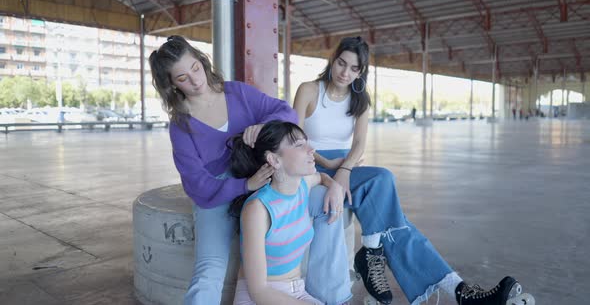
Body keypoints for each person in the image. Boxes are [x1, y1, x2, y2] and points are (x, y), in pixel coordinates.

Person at [293, 36, 528, 305]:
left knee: (384, 187)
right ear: (333, 61)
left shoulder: (360, 100)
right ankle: (453, 289)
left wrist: (343, 170)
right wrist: (328, 163)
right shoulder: (309, 90)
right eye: (341, 63)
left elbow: (359, 145)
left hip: (346, 169)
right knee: (392, 209)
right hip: (311, 167)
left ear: (362, 71)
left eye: (354, 68)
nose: (345, 73)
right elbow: (295, 139)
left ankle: (451, 286)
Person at [149, 36, 351, 305]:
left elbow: (286, 112)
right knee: (209, 268)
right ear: (172, 84)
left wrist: (264, 124)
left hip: (266, 180)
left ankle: (331, 297)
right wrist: (244, 186)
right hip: (218, 194)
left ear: (202, 61)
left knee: (325, 205)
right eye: (183, 77)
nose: (196, 81)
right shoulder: (181, 126)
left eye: (195, 68)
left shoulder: (236, 92)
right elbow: (196, 185)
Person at [228, 121, 348, 305]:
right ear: (275, 160)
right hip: (263, 298)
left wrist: (334, 186)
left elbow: (322, 177)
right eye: (300, 145)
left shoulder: (302, 185)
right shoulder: (258, 209)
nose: (311, 149)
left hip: (298, 293)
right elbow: (259, 292)